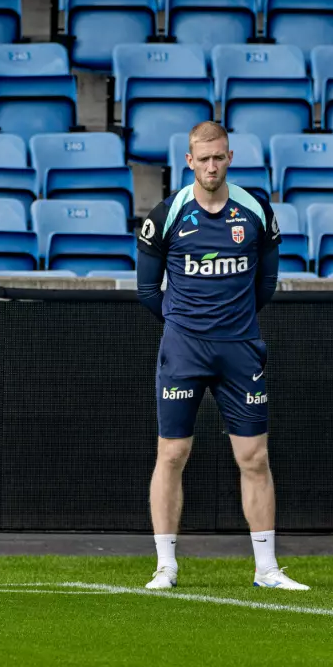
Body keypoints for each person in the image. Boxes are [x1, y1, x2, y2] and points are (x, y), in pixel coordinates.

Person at [135, 121, 307, 591]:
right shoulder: (167, 215)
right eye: (203, 158)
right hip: (184, 350)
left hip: (240, 349)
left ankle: (267, 568)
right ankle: (166, 565)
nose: (212, 166)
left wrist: (232, 324)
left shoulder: (254, 211)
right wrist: (184, 324)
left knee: (254, 457)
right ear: (188, 161)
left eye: (219, 157)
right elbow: (148, 290)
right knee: (172, 453)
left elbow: (265, 285)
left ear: (229, 158)